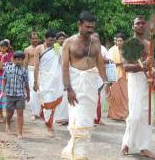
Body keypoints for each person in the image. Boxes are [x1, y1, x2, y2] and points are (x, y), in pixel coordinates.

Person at [61, 11, 109, 159]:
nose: (90, 30)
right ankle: (79, 155)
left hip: (91, 84)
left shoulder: (95, 41)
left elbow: (100, 62)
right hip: (75, 85)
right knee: (78, 119)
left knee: (87, 119)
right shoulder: (69, 42)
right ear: (79, 25)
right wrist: (68, 89)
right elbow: (64, 66)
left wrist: (106, 81)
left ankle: (75, 152)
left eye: (92, 27)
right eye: (87, 26)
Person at [120, 16, 155, 159]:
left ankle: (144, 147)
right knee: (135, 115)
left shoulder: (150, 43)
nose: (141, 25)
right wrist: (142, 64)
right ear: (133, 26)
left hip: (148, 80)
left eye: (143, 23)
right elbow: (126, 66)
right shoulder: (129, 44)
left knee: (148, 114)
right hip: (136, 80)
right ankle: (126, 144)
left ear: (146, 26)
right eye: (137, 23)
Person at [34, 29, 63, 134]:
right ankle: (48, 122)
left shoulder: (56, 47)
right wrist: (35, 82)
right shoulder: (39, 49)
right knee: (46, 102)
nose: (52, 42)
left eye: (54, 40)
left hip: (56, 81)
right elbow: (36, 66)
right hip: (44, 80)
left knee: (52, 103)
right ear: (45, 39)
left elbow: (61, 62)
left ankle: (49, 125)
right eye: (50, 40)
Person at [3, 51, 30, 139]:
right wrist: (2, 91)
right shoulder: (8, 67)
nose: (20, 61)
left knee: (20, 113)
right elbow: (4, 79)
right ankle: (8, 124)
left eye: (22, 59)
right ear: (13, 59)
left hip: (20, 95)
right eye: (18, 59)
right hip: (9, 94)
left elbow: (26, 83)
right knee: (9, 113)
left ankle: (20, 133)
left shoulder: (24, 70)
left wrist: (28, 94)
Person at [107, 32, 128, 120]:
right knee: (115, 95)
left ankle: (123, 114)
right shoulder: (112, 50)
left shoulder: (127, 50)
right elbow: (110, 63)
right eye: (118, 40)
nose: (119, 42)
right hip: (115, 75)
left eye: (121, 40)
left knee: (125, 95)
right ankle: (114, 115)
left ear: (124, 41)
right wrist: (121, 63)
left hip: (125, 75)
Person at [54, 31, 69, 126]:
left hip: (67, 71)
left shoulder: (67, 47)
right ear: (57, 40)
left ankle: (65, 117)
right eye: (60, 38)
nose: (62, 40)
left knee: (66, 95)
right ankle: (59, 117)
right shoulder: (56, 47)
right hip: (58, 72)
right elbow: (58, 59)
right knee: (58, 93)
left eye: (63, 38)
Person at [24, 31, 40, 120]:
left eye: (36, 38)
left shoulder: (42, 48)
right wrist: (23, 74)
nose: (35, 40)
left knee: (41, 91)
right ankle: (34, 112)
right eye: (33, 38)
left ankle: (41, 112)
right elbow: (25, 62)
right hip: (30, 71)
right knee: (33, 92)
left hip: (41, 71)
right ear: (30, 39)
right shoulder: (27, 49)